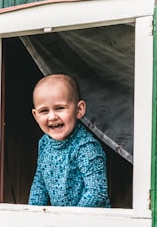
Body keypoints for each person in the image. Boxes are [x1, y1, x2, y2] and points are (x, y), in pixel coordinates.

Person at [28, 73, 110, 208]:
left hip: (90, 222)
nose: (52, 117)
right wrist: (33, 213)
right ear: (36, 116)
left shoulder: (86, 147)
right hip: (63, 221)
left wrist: (71, 219)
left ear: (79, 110)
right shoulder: (44, 143)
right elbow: (40, 183)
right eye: (44, 111)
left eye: (60, 108)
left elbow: (97, 193)